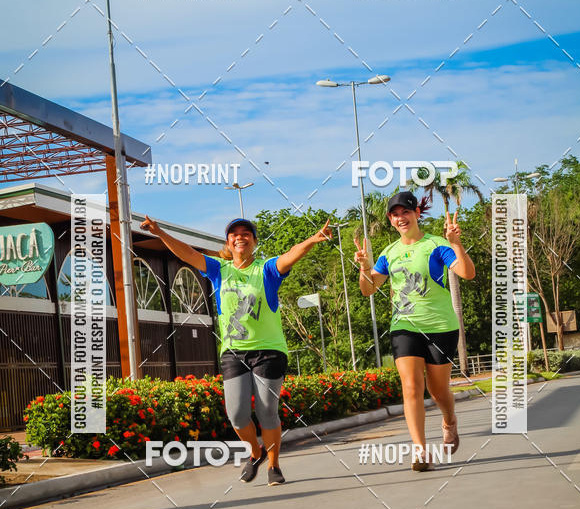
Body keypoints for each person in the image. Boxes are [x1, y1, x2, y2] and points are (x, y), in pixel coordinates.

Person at [140, 214, 332, 485]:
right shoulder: (219, 270)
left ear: (253, 241)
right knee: (237, 415)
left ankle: (273, 467)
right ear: (228, 242)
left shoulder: (266, 269)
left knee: (267, 411)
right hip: (233, 352)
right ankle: (256, 452)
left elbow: (290, 255)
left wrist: (312, 240)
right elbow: (187, 254)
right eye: (234, 234)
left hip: (269, 350)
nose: (240, 237)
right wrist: (160, 233)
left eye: (246, 234)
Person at [354, 190, 476, 471]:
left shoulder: (436, 245)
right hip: (404, 327)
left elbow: (467, 274)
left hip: (440, 327)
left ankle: (449, 420)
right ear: (390, 220)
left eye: (406, 212)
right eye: (395, 214)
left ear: (417, 214)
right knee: (410, 387)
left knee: (438, 391)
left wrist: (456, 244)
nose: (401, 217)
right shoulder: (388, 253)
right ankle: (420, 451)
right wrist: (364, 268)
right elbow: (369, 289)